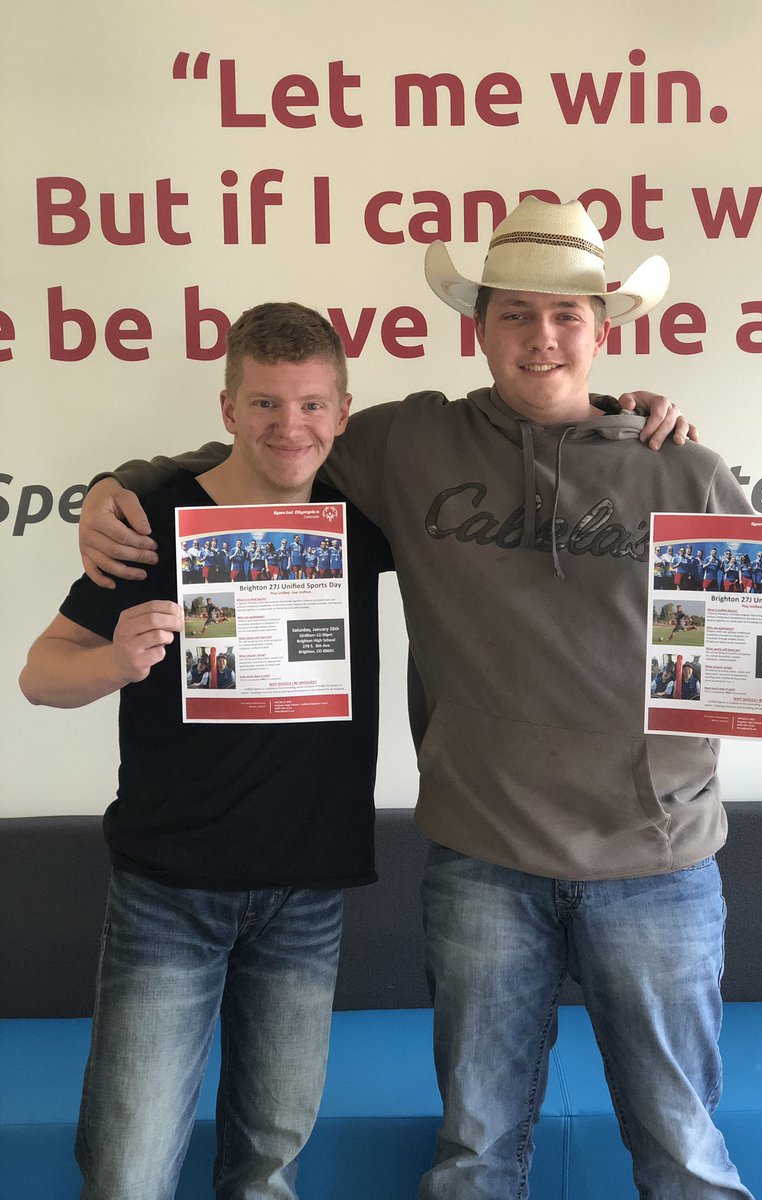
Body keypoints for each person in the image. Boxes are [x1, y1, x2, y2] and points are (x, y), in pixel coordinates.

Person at [75, 199, 762, 1200]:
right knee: (474, 1159)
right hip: (481, 868)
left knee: (682, 1151)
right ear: (479, 327)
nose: (541, 339)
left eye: (566, 315)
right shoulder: (408, 444)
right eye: (514, 314)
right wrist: (123, 482)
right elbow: (273, 451)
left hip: (657, 866)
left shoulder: (683, 467)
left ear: (604, 327)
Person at [19, 302, 394, 1200]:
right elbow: (40, 671)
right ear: (227, 410)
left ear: (343, 412)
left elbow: (514, 463)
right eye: (265, 404)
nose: (289, 426)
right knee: (127, 1171)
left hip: (308, 893)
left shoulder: (365, 517)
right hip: (169, 891)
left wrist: (629, 407)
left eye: (310, 406)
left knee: (266, 1171)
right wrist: (114, 660)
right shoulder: (152, 517)